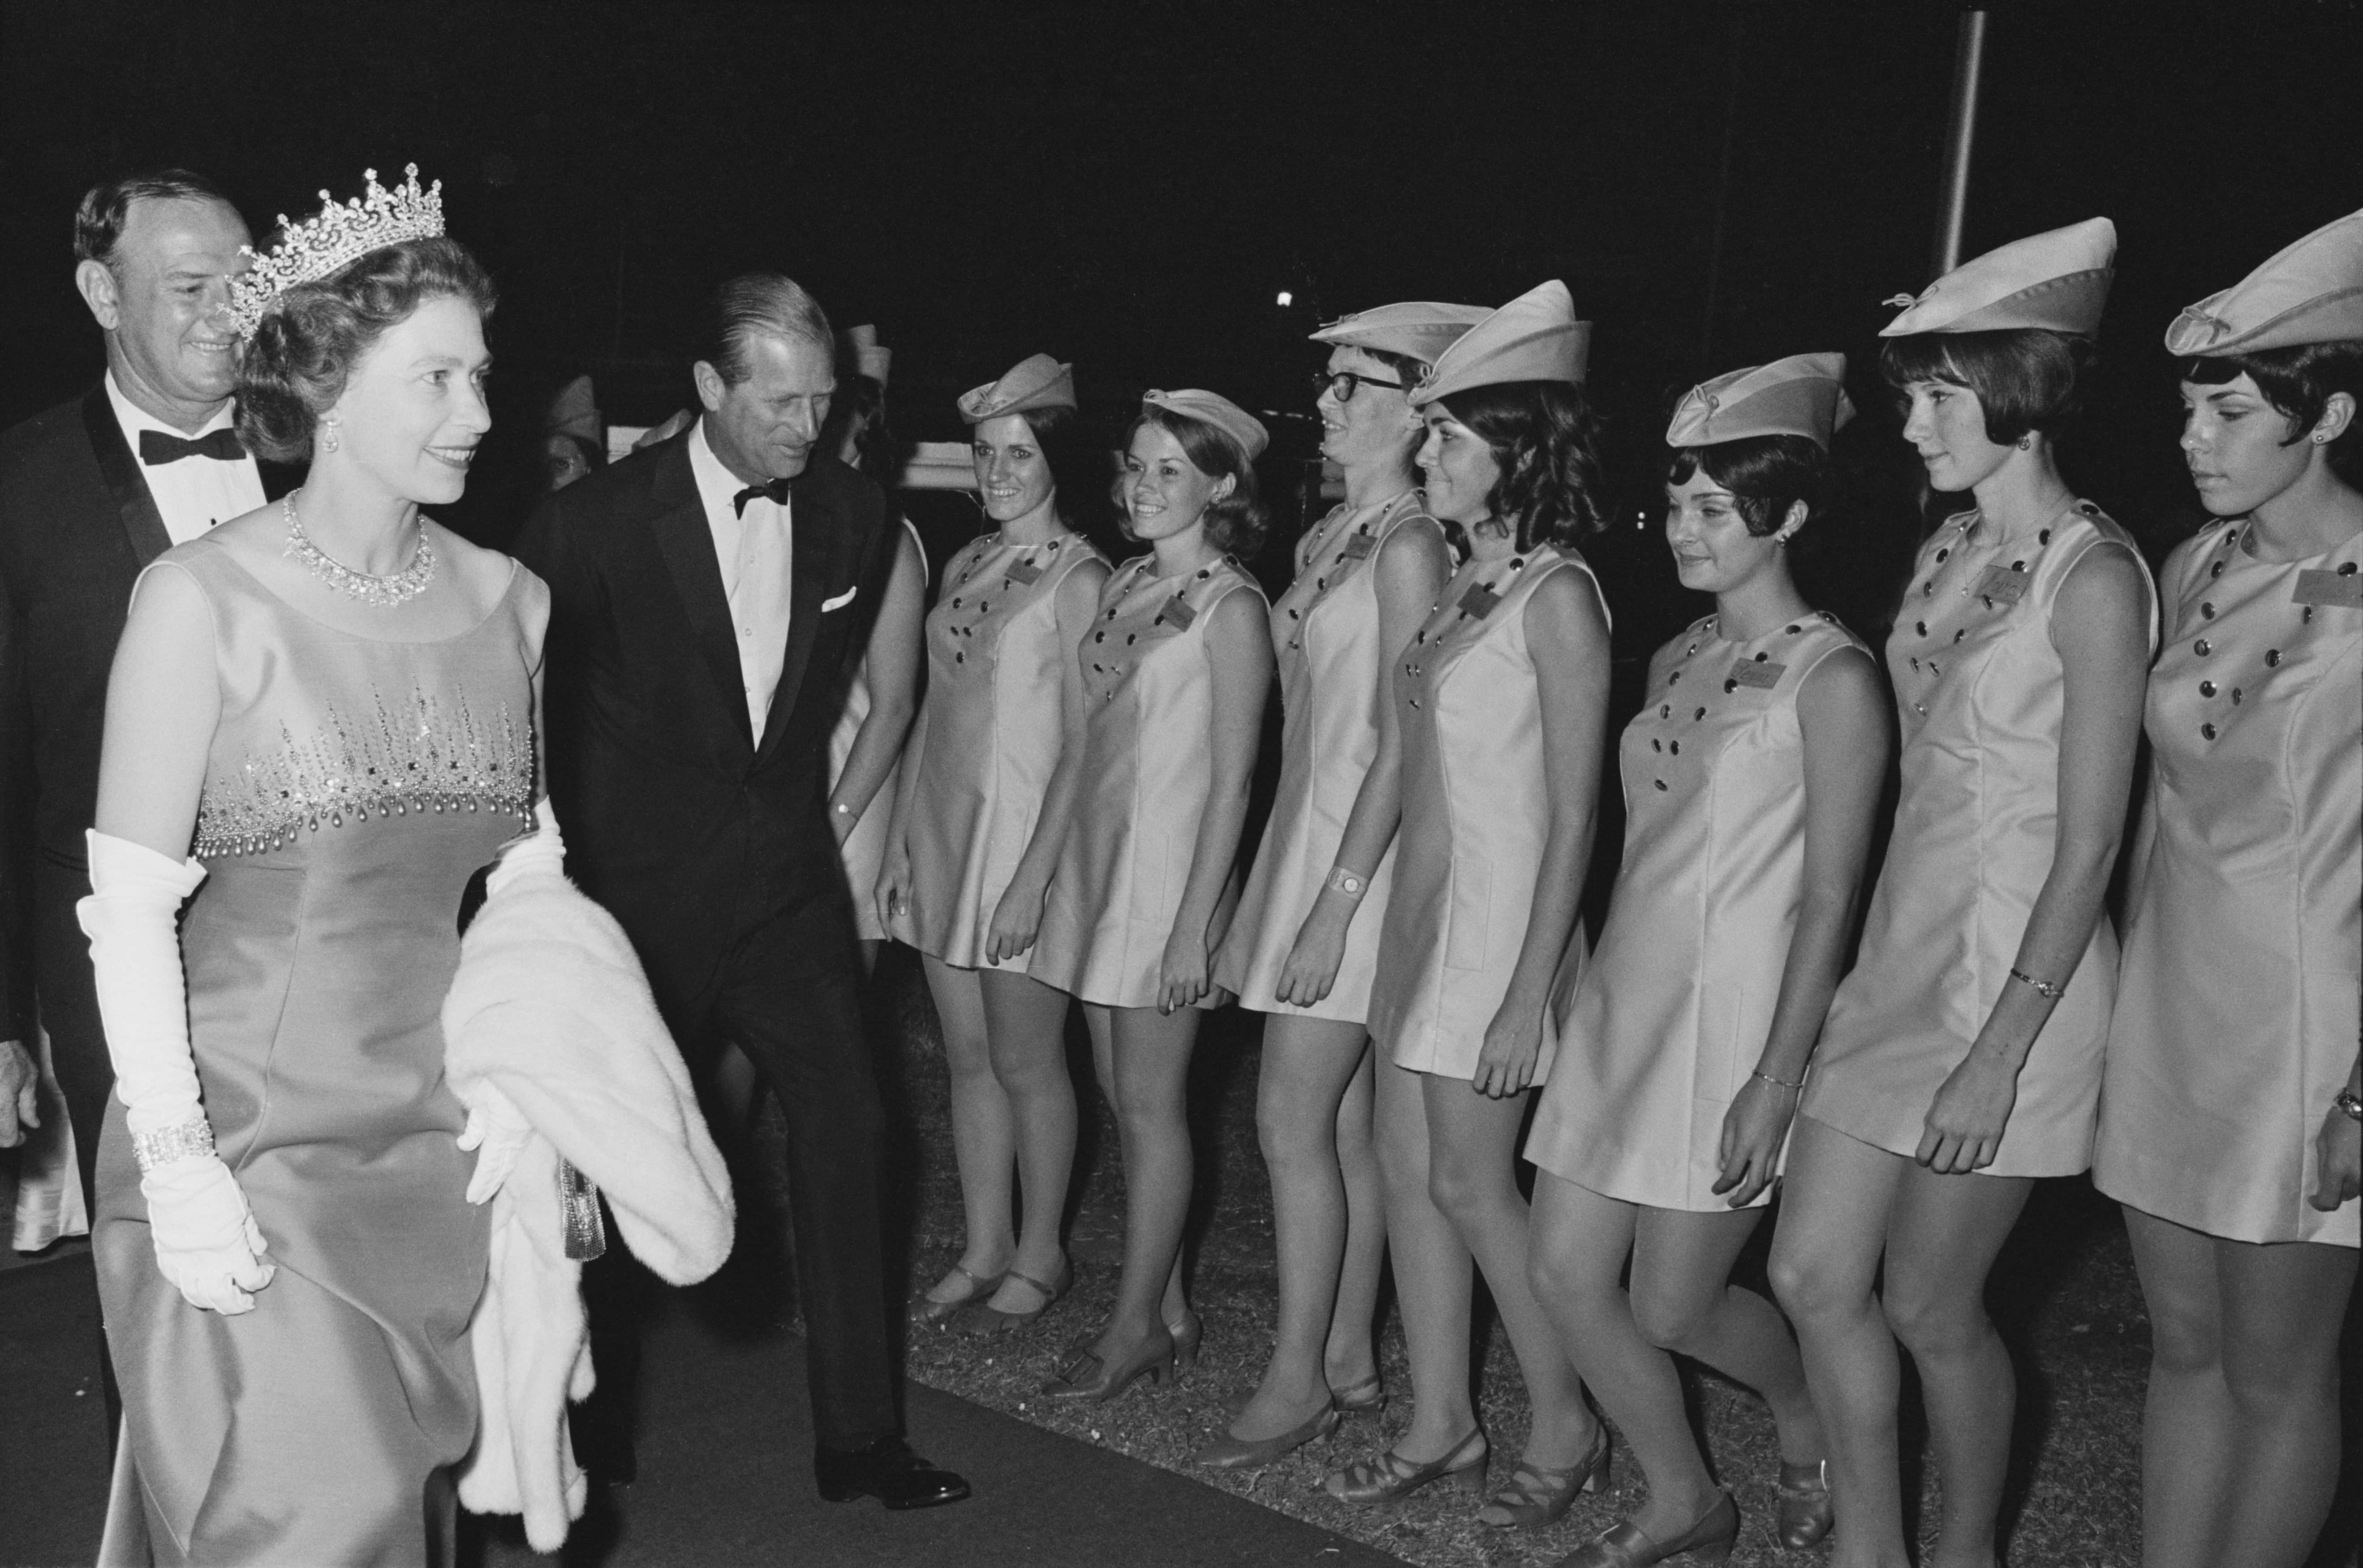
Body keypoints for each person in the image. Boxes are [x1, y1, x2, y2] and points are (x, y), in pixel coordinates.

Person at [84, 166, 536, 1564]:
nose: (478, 412)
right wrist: (175, 1164)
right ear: (332, 391)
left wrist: (534, 1088)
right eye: (439, 377)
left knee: (409, 1515)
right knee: (315, 1519)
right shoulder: (197, 600)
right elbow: (128, 911)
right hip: (249, 1142)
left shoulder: (509, 599)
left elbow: (528, 876)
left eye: (480, 374)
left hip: (434, 1147)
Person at [515, 273, 969, 1511]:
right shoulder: (594, 522)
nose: (803, 427)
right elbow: (531, 708)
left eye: (822, 401)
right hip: (638, 895)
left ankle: (861, 1438)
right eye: (778, 400)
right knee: (605, 1158)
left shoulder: (851, 511)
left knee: (855, 1133)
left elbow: (828, 696)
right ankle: (578, 1410)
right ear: (710, 388)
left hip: (785, 893)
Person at [1769, 219, 2158, 1568]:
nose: (1914, 425)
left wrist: (1999, 1053)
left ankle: (1965, 1549)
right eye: (1909, 397)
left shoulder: (2097, 575)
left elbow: (2093, 842)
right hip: (1898, 959)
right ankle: (1871, 1546)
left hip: (2011, 984)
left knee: (1933, 1306)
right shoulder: (1943, 548)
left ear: (2018, 391)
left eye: (1938, 395)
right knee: (1811, 1275)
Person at [1525, 355, 1886, 1566]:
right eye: (1673, 501)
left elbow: (1831, 898)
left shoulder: (1831, 676)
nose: (1680, 527)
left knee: (1673, 1304)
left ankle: (1797, 1410)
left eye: (1709, 508)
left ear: (1783, 515)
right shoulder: (1677, 649)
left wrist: (1776, 1077)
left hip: (1729, 1019)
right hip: (1626, 998)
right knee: (1564, 1273)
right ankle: (1682, 1494)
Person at [2094, 206, 2363, 1568]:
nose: (2193, 440)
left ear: (2326, 413)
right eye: (2190, 411)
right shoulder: (2197, 559)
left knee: (2278, 1377)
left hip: (2305, 1031)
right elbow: (2156, 813)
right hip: (2173, 1002)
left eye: (2229, 411)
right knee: (2181, 1349)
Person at [1330, 280, 1611, 1529]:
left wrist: (1527, 990)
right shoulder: (1466, 583)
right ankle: (1441, 1416)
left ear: (1517, 452)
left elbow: (1570, 813)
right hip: (1425, 922)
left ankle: (1567, 1420)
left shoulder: (1559, 593)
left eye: (1448, 433)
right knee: (1416, 1176)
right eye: (1427, 428)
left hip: (1500, 932)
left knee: (1473, 1186)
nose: (1427, 450)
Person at [1195, 303, 1475, 1467]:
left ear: (1418, 410)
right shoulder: (1335, 537)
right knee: (1344, 1128)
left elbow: (1407, 742)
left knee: (1288, 1118)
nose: (1331, 404)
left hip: (1361, 863)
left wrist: (1336, 899)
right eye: (1331, 385)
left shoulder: (1412, 544)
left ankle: (1299, 1368)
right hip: (1308, 847)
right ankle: (1351, 1353)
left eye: (1358, 386)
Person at [0, 169, 270, 1227]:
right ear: (103, 296)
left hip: (308, 928)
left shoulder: (329, 453)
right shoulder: (20, 488)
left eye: (245, 286)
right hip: (109, 949)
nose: (228, 317)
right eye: (193, 287)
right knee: (163, 1258)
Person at [1028, 388, 1273, 1401]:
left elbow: (1234, 779)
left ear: (1221, 486)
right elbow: (1084, 744)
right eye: (1134, 465)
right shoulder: (1126, 581)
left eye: (1168, 469)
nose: (1140, 485)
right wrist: (1041, 872)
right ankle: (1166, 1306)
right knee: (1124, 1107)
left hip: (1167, 884)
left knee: (1154, 1104)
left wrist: (1194, 926)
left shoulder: (1236, 607)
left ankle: (1132, 1326)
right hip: (1096, 872)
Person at [879, 354, 1108, 1333]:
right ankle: (982, 1242)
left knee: (1027, 1060)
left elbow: (1088, 742)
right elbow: (933, 706)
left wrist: (1035, 875)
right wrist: (899, 839)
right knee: (964, 1055)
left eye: (1021, 451)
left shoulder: (1083, 573)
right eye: (986, 451)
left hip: (1023, 842)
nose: (1000, 468)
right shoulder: (968, 559)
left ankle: (1044, 1246)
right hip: (945, 828)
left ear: (1057, 457)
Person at [820, 325, 925, 972]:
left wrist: (831, 829)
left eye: (836, 410)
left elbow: (893, 708)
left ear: (868, 427)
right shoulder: (789, 521)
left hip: (850, 803)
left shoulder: (891, 541)